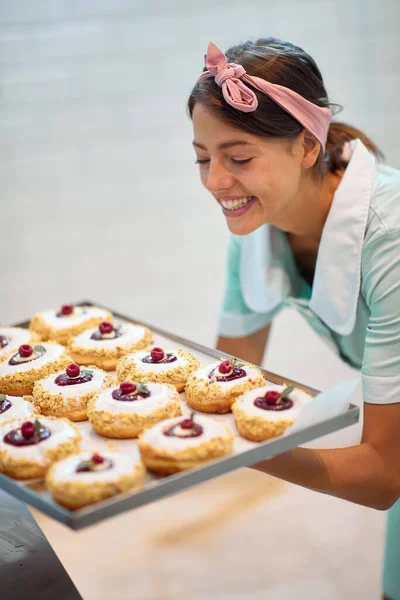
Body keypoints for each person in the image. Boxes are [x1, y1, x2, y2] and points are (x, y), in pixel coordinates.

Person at [187, 38, 400, 600]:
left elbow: (382, 475)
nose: (215, 183)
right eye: (203, 158)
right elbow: (225, 380)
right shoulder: (262, 220)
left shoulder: (392, 237)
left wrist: (240, 447)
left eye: (238, 158)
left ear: (308, 145)